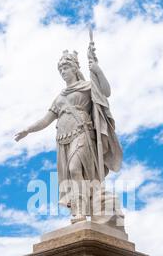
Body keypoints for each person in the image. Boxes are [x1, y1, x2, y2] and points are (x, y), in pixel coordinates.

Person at [15, 47, 123, 226]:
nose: (63, 72)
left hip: (82, 133)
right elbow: (45, 120)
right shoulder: (59, 98)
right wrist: (28, 129)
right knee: (72, 176)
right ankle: (78, 211)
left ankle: (81, 211)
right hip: (63, 139)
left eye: (65, 68)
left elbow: (106, 92)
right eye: (61, 69)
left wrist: (97, 69)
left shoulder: (87, 86)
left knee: (75, 169)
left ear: (74, 68)